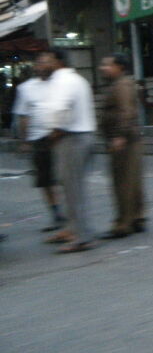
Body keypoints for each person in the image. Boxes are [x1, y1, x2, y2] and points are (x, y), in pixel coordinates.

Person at [42, 49, 97, 253]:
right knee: (70, 187)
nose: (41, 65)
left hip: (71, 139)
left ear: (58, 62)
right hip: (80, 136)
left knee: (73, 190)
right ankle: (72, 229)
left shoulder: (62, 80)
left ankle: (82, 237)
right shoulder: (77, 79)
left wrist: (55, 133)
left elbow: (59, 109)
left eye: (46, 61)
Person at [12, 59, 67, 232]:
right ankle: (57, 213)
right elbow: (23, 116)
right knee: (45, 180)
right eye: (39, 64)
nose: (42, 67)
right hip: (39, 139)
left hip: (59, 137)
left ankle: (69, 211)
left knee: (63, 177)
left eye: (45, 64)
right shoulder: (26, 88)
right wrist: (25, 141)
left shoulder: (60, 84)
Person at [98, 53, 146, 239]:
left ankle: (124, 224)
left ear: (120, 67)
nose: (103, 68)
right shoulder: (120, 84)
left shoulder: (122, 85)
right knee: (131, 181)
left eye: (108, 65)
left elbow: (126, 111)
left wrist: (119, 135)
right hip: (127, 139)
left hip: (124, 141)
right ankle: (137, 218)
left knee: (123, 183)